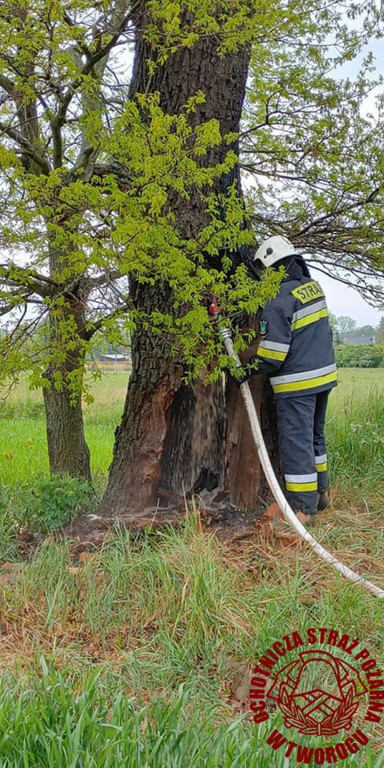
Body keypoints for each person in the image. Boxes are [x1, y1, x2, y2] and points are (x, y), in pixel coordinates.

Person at [243, 235, 337, 526]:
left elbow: (273, 355)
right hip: (323, 377)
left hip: (296, 385)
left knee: (297, 444)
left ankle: (302, 510)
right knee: (314, 438)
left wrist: (246, 370)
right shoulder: (313, 288)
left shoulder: (279, 300)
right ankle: (321, 493)